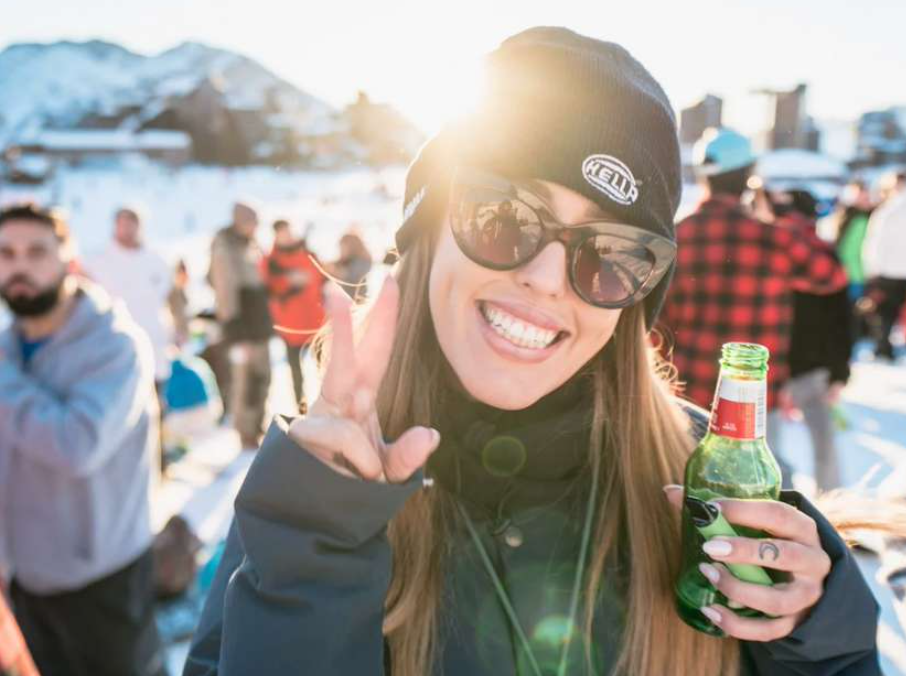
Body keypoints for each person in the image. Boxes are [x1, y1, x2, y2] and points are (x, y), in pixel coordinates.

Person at [184, 29, 879, 676]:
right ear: (426, 228)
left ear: (635, 301)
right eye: (503, 215)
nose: (545, 280)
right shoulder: (314, 489)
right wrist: (318, 556)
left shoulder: (701, 487)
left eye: (610, 255)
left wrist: (818, 635)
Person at [0, 204, 165, 676]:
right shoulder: (10, 348)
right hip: (27, 579)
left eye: (36, 252)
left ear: (70, 263)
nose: (19, 267)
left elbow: (76, 444)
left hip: (103, 580)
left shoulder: (114, 346)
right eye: (6, 254)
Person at [659, 127, 848, 476]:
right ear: (749, 177)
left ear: (704, 178)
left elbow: (656, 322)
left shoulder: (676, 235)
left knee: (683, 484)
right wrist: (782, 216)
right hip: (753, 396)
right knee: (756, 487)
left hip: (685, 392)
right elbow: (831, 276)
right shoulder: (774, 237)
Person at [757, 184, 853, 491]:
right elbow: (844, 318)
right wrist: (839, 371)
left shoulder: (776, 250)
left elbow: (841, 316)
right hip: (805, 367)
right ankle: (829, 511)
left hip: (788, 367)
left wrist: (838, 372)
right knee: (819, 447)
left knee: (766, 449)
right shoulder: (818, 253)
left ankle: (788, 504)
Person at [208, 201, 273, 449]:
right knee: (246, 380)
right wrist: (233, 325)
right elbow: (225, 287)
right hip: (241, 324)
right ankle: (245, 429)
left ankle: (257, 423)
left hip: (258, 320)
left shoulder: (250, 243)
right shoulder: (226, 246)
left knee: (262, 376)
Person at [85, 206, 174, 386]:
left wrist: (177, 330)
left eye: (131, 223)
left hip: (154, 342)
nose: (126, 228)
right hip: (113, 347)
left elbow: (171, 297)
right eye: (122, 223)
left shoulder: (157, 260)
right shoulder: (97, 261)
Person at [260, 219, 326, 410]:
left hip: (315, 322)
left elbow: (321, 278)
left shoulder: (307, 253)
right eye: (282, 233)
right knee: (296, 372)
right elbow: (267, 287)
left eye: (288, 231)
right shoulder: (271, 261)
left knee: (323, 368)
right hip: (290, 326)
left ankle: (328, 404)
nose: (286, 236)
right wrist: (288, 281)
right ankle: (301, 407)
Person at [862, 171, 906, 361]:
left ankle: (884, 350)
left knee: (885, 316)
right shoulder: (886, 211)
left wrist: (872, 272)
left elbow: (873, 245)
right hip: (894, 271)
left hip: (888, 273)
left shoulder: (885, 212)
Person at [331, 229, 373, 299]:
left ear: (351, 247)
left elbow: (352, 275)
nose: (341, 251)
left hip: (357, 301)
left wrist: (334, 271)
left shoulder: (362, 262)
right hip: (344, 301)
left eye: (343, 247)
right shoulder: (343, 262)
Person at [168, 259, 191, 348]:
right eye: (183, 273)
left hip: (184, 336)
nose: (187, 276)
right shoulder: (174, 292)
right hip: (177, 338)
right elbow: (175, 316)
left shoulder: (182, 292)